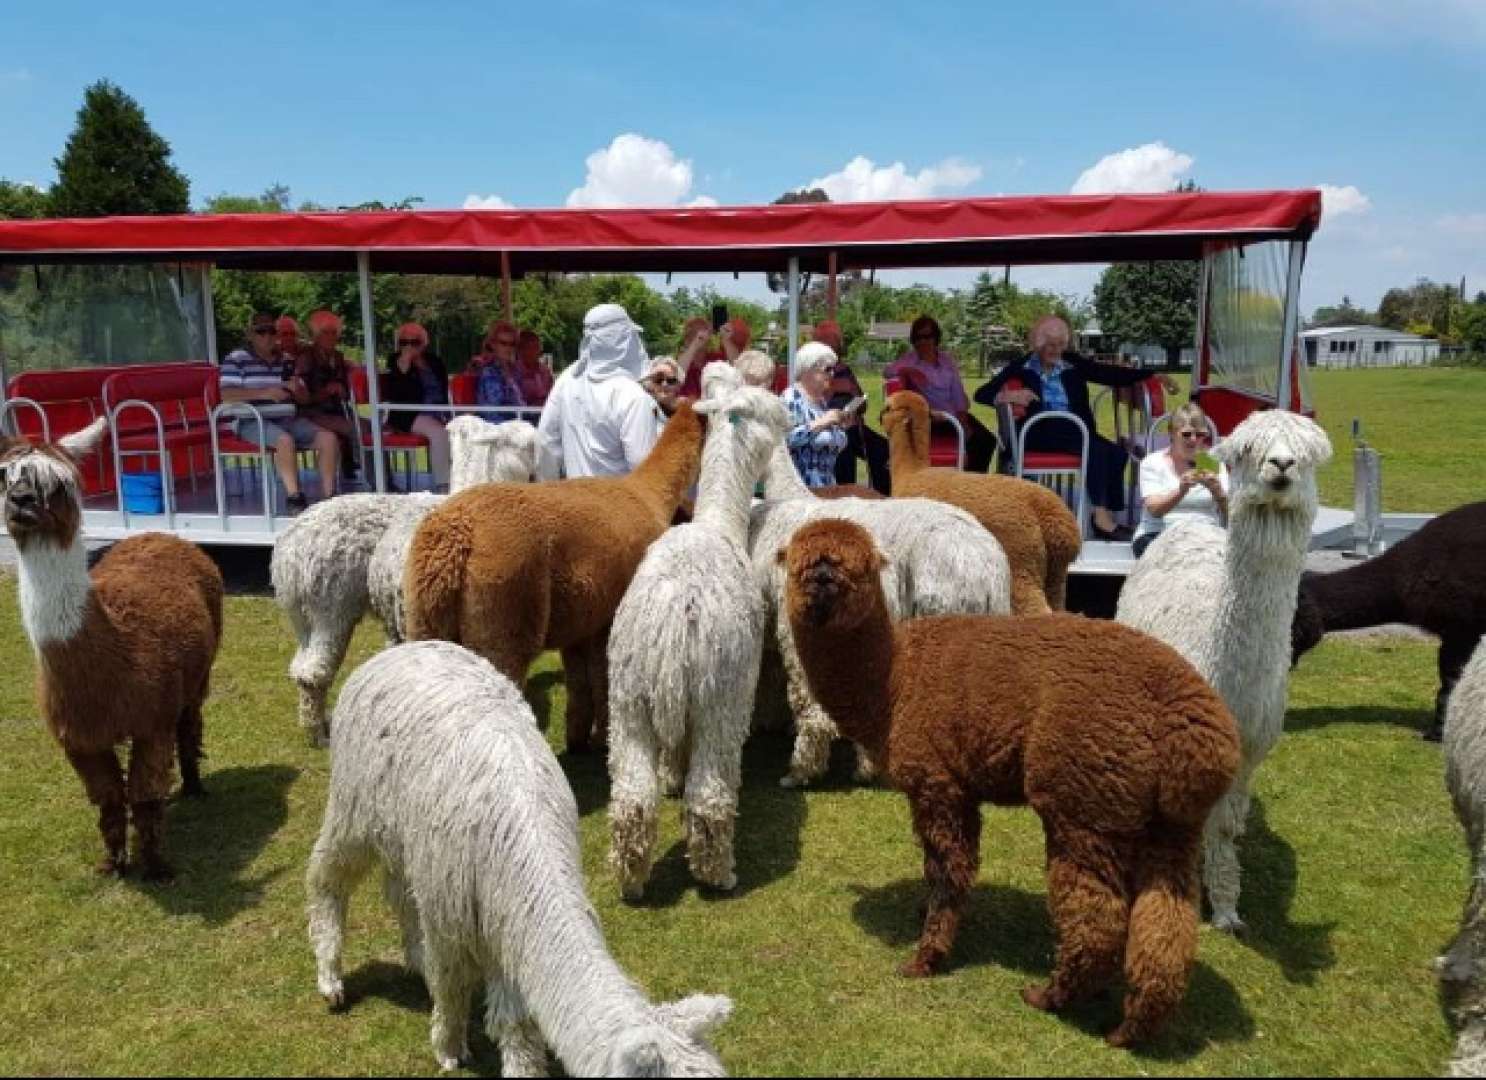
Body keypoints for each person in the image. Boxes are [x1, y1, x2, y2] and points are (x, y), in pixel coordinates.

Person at [975, 314, 1182, 539]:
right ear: (1038, 344)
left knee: (1115, 452)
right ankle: (1102, 520)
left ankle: (1103, 513)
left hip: (1073, 430)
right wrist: (1010, 395)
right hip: (1037, 431)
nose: (1056, 350)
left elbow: (1107, 373)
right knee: (1094, 449)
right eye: (1051, 345)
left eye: (1061, 345)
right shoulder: (1021, 367)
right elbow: (982, 394)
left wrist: (1151, 374)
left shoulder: (1072, 363)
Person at [219, 313, 340, 512]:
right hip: (252, 419)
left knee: (328, 438)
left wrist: (297, 389)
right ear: (251, 335)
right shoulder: (236, 359)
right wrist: (264, 393)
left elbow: (303, 399)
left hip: (285, 416)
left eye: (271, 331)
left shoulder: (286, 360)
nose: (267, 336)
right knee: (284, 440)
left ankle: (329, 497)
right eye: (261, 331)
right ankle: (295, 497)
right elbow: (227, 395)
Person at [536, 303, 663, 480]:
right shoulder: (632, 395)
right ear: (624, 339)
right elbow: (642, 467)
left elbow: (546, 442)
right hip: (617, 504)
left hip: (574, 501)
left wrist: (549, 492)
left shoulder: (567, 379)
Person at [884, 315, 997, 473]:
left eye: (927, 336)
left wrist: (962, 415)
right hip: (932, 418)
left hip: (954, 414)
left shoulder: (946, 360)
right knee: (976, 442)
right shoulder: (910, 360)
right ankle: (964, 484)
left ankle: (969, 484)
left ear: (935, 338)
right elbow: (888, 371)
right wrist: (907, 371)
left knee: (988, 440)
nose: (922, 342)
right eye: (917, 338)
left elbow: (957, 389)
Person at [1131, 402, 1228, 558]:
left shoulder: (1213, 462)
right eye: (1187, 434)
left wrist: (1218, 492)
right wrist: (1181, 490)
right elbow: (1154, 510)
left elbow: (1232, 513)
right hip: (1158, 533)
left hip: (1206, 534)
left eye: (1200, 434)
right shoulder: (1153, 462)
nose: (1194, 439)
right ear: (1171, 432)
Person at [814, 320, 890, 495]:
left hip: (855, 426)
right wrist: (832, 390)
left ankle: (882, 496)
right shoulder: (812, 371)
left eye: (835, 345)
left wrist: (857, 401)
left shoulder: (844, 369)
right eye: (828, 345)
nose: (834, 351)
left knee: (884, 451)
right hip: (828, 427)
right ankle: (845, 497)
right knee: (843, 447)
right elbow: (812, 405)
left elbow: (864, 405)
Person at [384, 321, 451, 492]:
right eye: (403, 343)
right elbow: (395, 395)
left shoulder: (434, 361)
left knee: (464, 430)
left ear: (423, 344)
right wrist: (403, 370)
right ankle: (444, 486)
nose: (408, 347)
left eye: (414, 343)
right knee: (439, 433)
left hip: (440, 411)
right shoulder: (394, 361)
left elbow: (443, 388)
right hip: (410, 413)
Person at [294, 309, 361, 480]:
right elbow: (301, 396)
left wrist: (343, 389)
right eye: (326, 332)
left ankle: (377, 476)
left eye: (334, 332)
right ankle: (371, 477)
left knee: (373, 428)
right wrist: (326, 391)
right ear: (316, 335)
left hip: (337, 411)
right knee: (355, 429)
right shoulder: (305, 358)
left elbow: (345, 389)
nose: (331, 337)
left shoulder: (338, 357)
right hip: (312, 413)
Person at [780, 342, 849, 489]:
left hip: (827, 489)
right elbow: (785, 440)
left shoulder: (821, 403)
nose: (832, 374)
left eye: (833, 369)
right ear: (808, 370)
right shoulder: (791, 398)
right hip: (801, 491)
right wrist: (822, 422)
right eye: (827, 369)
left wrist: (840, 428)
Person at [677, 315, 749, 400]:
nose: (698, 336)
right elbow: (677, 374)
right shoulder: (683, 360)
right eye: (693, 333)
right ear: (686, 339)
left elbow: (739, 367)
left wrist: (725, 339)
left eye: (702, 331)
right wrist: (695, 345)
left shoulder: (715, 359)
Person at [470, 320, 526, 414]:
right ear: (493, 344)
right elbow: (498, 407)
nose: (508, 348)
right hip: (495, 425)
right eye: (503, 343)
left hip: (517, 421)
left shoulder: (516, 371)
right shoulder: (489, 372)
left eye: (512, 344)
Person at [514, 329, 554, 406]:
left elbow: (553, 394)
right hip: (523, 415)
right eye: (531, 347)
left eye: (537, 347)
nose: (537, 351)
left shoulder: (545, 371)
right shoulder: (513, 373)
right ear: (520, 350)